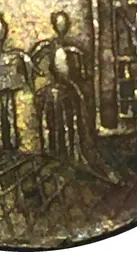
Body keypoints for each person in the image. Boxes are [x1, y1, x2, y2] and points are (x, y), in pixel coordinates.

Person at [31, 11, 90, 161]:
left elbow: (82, 63)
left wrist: (82, 71)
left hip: (68, 86)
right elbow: (33, 57)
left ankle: (72, 149)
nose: (61, 26)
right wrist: (37, 71)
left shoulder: (72, 48)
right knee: (50, 116)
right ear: (54, 25)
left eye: (63, 23)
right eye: (58, 23)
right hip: (55, 86)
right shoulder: (49, 45)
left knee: (72, 117)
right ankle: (49, 150)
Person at [0, 15, 37, 150]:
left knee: (10, 110)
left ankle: (11, 140)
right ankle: (0, 140)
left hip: (6, 85)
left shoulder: (13, 54)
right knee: (0, 110)